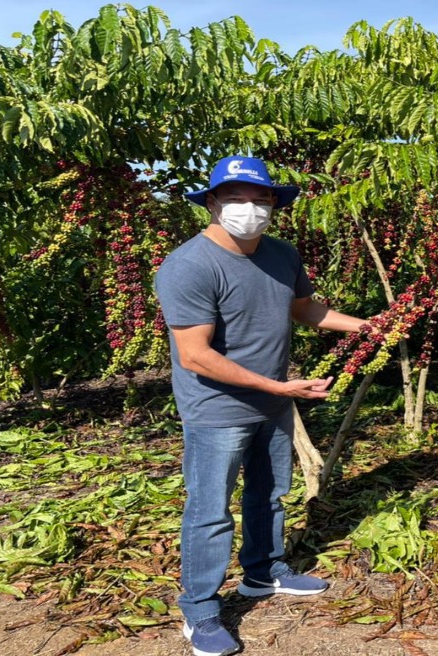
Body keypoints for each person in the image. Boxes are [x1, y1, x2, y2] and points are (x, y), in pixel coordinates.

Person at [155, 155, 370, 656]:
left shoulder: (280, 254)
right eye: (235, 198)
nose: (248, 208)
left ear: (274, 203)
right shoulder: (189, 265)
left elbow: (303, 309)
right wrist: (277, 388)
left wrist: (366, 325)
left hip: (272, 401)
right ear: (211, 203)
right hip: (217, 408)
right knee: (210, 512)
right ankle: (201, 611)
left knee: (270, 494)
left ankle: (262, 573)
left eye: (259, 198)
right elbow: (196, 355)